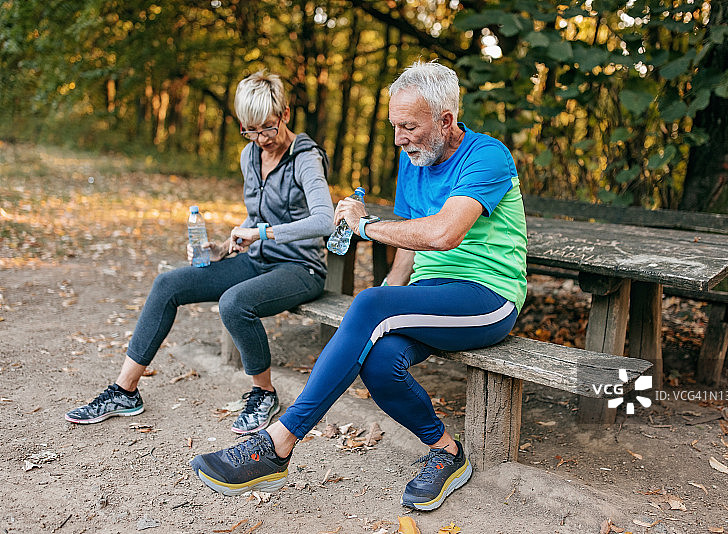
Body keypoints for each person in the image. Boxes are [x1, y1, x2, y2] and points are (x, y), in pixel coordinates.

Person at [190, 61, 527, 511]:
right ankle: (447, 452)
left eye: (408, 126)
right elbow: (410, 244)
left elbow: (443, 233)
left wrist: (366, 228)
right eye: (394, 126)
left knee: (369, 305)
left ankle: (277, 444)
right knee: (380, 361)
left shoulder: (487, 156)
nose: (398, 139)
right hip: (430, 293)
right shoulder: (414, 163)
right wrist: (389, 292)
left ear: (446, 121)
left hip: (488, 298)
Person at [65, 71, 335, 435]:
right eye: (250, 131)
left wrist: (262, 232)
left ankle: (264, 393)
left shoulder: (305, 157)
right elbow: (258, 215)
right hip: (259, 259)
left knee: (234, 302)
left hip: (301, 268)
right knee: (168, 284)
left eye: (268, 128)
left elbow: (323, 220)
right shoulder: (249, 157)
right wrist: (224, 247)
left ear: (285, 114)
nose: (261, 140)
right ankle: (125, 390)